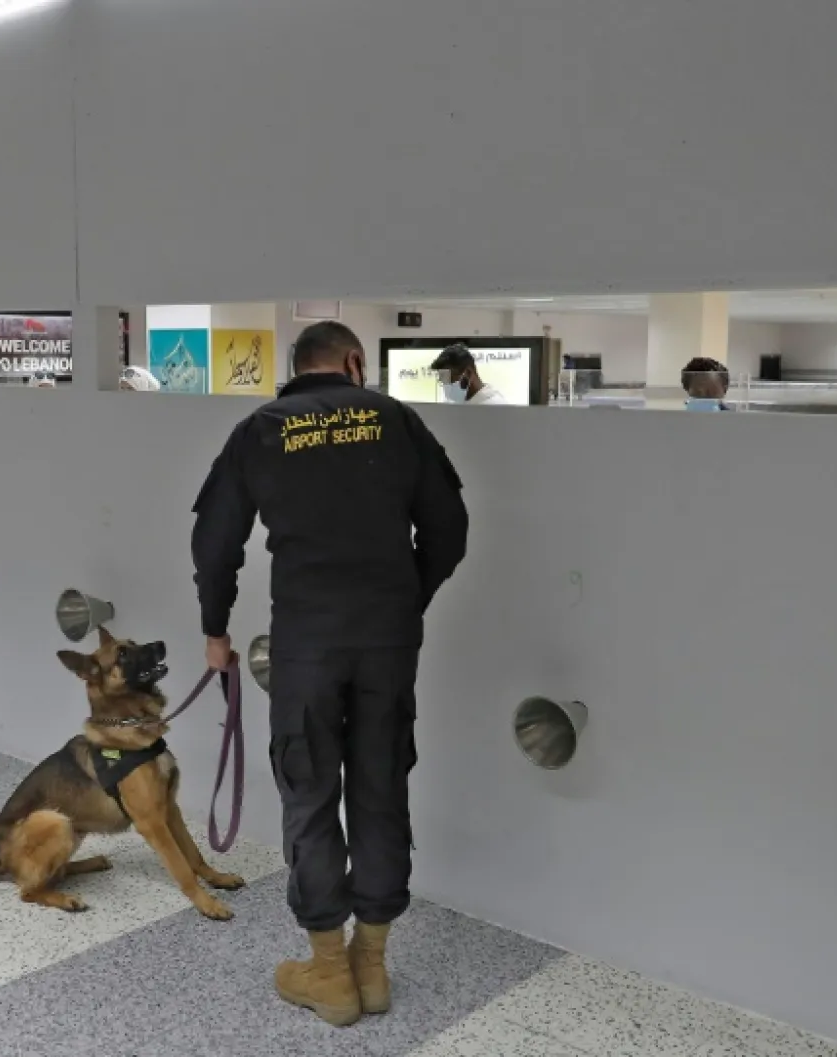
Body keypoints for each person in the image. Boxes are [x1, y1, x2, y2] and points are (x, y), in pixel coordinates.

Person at [190, 320, 468, 1028]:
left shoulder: (261, 427)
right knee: (380, 785)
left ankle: (329, 970)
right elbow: (449, 527)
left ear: (297, 366)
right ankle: (372, 964)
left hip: (307, 642)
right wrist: (405, 598)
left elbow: (216, 539)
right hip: (386, 640)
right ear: (353, 362)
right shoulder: (396, 418)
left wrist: (215, 629)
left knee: (310, 792)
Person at [428, 343, 504, 404]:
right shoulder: (452, 403)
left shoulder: (496, 407)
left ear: (468, 373)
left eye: (449, 379)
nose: (446, 386)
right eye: (443, 381)